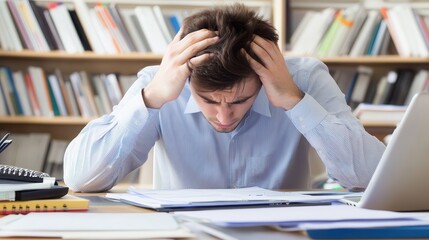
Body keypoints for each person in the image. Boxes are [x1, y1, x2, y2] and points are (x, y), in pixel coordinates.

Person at [63, 4, 386, 192]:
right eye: (209, 100)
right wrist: (151, 99)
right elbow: (82, 178)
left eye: (240, 100)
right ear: (189, 82)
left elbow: (370, 179)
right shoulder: (160, 81)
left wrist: (293, 99)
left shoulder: (301, 79)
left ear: (262, 80)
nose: (224, 117)